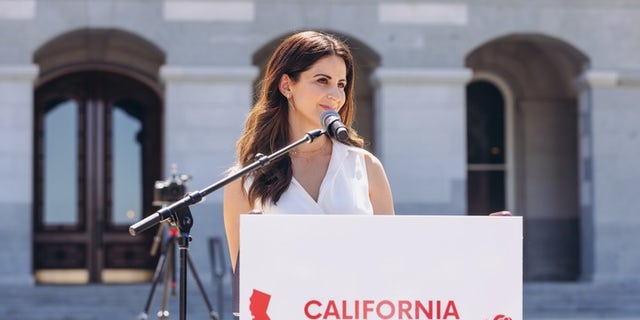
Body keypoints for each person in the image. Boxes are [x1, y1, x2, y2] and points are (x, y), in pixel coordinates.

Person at [223, 30, 395, 272]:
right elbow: (248, 285)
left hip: (356, 308)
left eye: (341, 84)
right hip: (284, 308)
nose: (335, 96)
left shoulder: (366, 167)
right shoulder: (244, 180)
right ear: (286, 85)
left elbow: (390, 262)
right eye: (322, 81)